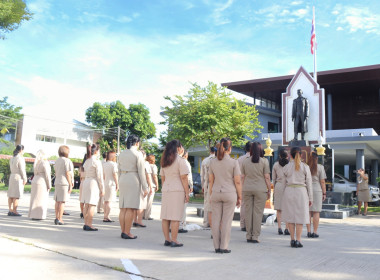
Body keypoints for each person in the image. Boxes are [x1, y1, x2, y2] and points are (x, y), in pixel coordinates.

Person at [209, 138, 242, 253]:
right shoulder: (234, 162)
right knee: (227, 221)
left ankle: (216, 247)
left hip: (216, 192)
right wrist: (240, 196)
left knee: (216, 220)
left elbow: (210, 181)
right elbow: (237, 181)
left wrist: (210, 195)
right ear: (230, 148)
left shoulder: (212, 162)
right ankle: (224, 246)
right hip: (229, 193)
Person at [160, 139, 190, 247]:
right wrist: (187, 193)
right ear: (178, 148)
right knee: (175, 216)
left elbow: (162, 178)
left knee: (165, 216)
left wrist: (165, 188)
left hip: (166, 189)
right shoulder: (180, 160)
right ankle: (174, 239)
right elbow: (184, 178)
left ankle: (167, 239)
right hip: (177, 190)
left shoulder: (164, 160)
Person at [118, 134, 148, 239]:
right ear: (136, 142)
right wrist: (145, 187)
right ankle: (127, 232)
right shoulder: (138, 154)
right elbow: (141, 172)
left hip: (123, 178)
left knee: (122, 208)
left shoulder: (121, 153)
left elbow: (118, 169)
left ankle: (123, 231)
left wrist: (119, 181)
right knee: (130, 208)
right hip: (133, 179)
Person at [282, 147, 313, 248]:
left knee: (290, 216)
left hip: (289, 191)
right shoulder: (305, 167)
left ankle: (292, 239)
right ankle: (298, 240)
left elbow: (283, 183)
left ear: (290, 155)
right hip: (301, 192)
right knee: (300, 217)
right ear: (301, 155)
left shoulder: (286, 167)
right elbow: (309, 183)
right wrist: (311, 197)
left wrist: (282, 196)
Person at [241, 142, 271, 243]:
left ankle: (248, 235)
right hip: (260, 189)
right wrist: (269, 190)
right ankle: (255, 236)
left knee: (248, 212)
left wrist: (241, 189)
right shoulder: (264, 161)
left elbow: (242, 177)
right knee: (258, 213)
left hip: (247, 189)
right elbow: (267, 177)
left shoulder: (245, 161)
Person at [81, 144, 104, 231]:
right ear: (97, 151)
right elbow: (100, 176)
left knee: (86, 204)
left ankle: (85, 223)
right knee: (92, 204)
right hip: (93, 182)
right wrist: (102, 189)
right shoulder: (97, 161)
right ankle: (89, 224)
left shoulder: (87, 161)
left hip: (86, 181)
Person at [306, 151, 327, 238]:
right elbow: (322, 181)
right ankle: (315, 232)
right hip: (317, 190)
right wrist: (324, 192)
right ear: (317, 158)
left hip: (307, 190)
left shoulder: (306, 167)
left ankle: (308, 231)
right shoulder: (320, 167)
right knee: (316, 212)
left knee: (308, 212)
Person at [28, 150, 52, 220]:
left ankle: (33, 214)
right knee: (41, 199)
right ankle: (39, 215)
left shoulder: (36, 163)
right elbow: (47, 175)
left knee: (34, 198)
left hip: (35, 180)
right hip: (42, 181)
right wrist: (49, 185)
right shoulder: (45, 162)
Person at [272, 149, 290, 235]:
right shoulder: (290, 165)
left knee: (279, 209)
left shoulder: (275, 165)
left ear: (279, 156)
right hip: (288, 186)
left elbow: (274, 179)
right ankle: (287, 228)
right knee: (287, 208)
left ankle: (279, 227)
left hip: (278, 186)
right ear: (287, 156)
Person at [54, 145, 73, 225]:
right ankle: (60, 218)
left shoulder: (57, 160)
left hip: (57, 181)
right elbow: (67, 173)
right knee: (62, 202)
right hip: (64, 182)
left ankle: (56, 217)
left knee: (57, 201)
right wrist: (70, 184)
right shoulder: (67, 161)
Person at [133, 149, 152, 227]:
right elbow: (148, 176)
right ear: (144, 155)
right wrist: (150, 186)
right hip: (142, 184)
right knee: (141, 203)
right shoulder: (145, 163)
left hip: (134, 183)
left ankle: (135, 220)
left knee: (134, 204)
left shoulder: (134, 162)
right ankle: (139, 221)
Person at [8, 145, 27, 216]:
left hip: (12, 176)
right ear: (21, 150)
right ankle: (15, 211)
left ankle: (10, 209)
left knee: (10, 194)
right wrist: (25, 178)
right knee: (16, 195)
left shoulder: (12, 158)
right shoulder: (20, 158)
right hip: (18, 177)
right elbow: (22, 170)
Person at [200, 146, 217, 228]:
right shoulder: (218, 159)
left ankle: (206, 222)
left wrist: (203, 185)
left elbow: (202, 175)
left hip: (207, 184)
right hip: (217, 184)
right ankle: (215, 223)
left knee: (207, 203)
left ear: (210, 151)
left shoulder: (205, 161)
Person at [237, 141, 251, 231]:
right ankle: (249, 224)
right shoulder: (256, 159)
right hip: (252, 183)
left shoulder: (240, 159)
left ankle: (242, 224)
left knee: (243, 204)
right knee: (251, 205)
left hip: (242, 183)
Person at [179, 150, 193, 233]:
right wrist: (190, 186)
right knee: (183, 207)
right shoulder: (185, 162)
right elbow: (188, 176)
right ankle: (181, 225)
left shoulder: (173, 160)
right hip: (184, 186)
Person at [103, 151, 119, 222]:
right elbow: (115, 174)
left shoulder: (104, 164)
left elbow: (103, 175)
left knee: (106, 201)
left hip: (105, 183)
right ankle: (107, 216)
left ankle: (105, 215)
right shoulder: (114, 164)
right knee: (109, 201)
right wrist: (117, 184)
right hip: (111, 184)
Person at [144, 154, 159, 220]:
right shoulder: (153, 166)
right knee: (149, 201)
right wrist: (157, 184)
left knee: (144, 201)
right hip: (151, 185)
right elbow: (154, 176)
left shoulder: (144, 165)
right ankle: (147, 215)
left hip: (144, 185)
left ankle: (142, 215)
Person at [79, 154, 89, 219]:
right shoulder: (89, 165)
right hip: (88, 181)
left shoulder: (81, 167)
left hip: (82, 182)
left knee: (81, 199)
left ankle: (82, 212)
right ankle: (86, 212)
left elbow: (80, 176)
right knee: (87, 199)